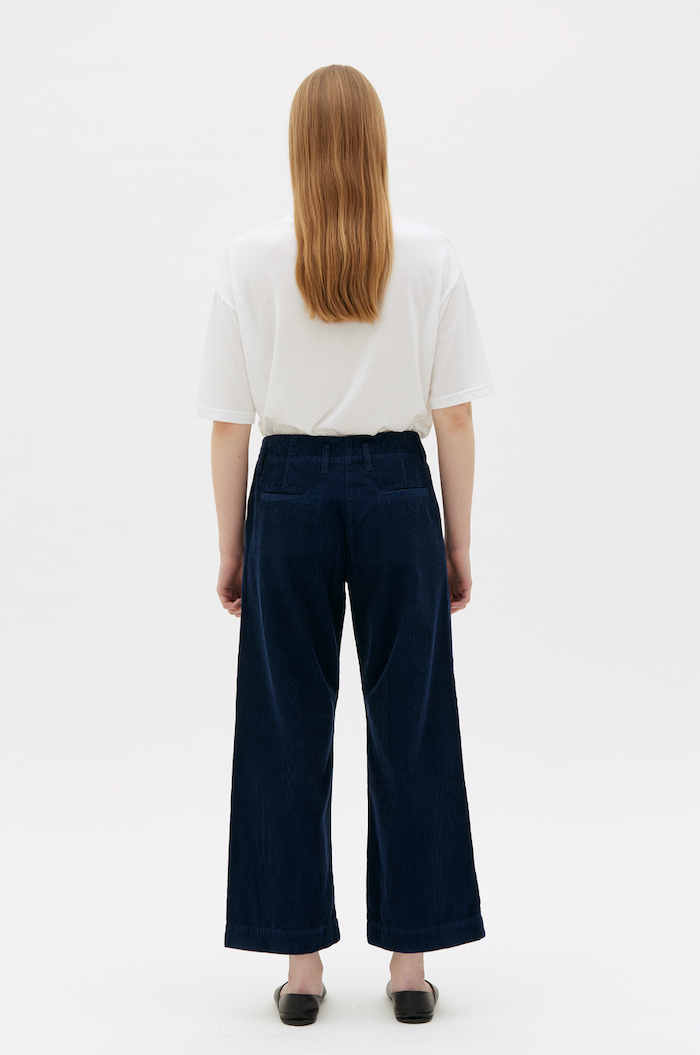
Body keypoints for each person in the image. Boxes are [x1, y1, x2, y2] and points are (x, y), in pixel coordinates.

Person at [194, 64, 494, 1027]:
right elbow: (454, 418)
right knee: (411, 722)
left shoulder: (248, 259)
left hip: (284, 493)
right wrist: (456, 537)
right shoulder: (432, 255)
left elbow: (227, 426)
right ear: (376, 145)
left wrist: (232, 541)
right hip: (401, 490)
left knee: (285, 729)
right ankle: (410, 963)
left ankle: (302, 967)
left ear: (297, 147)